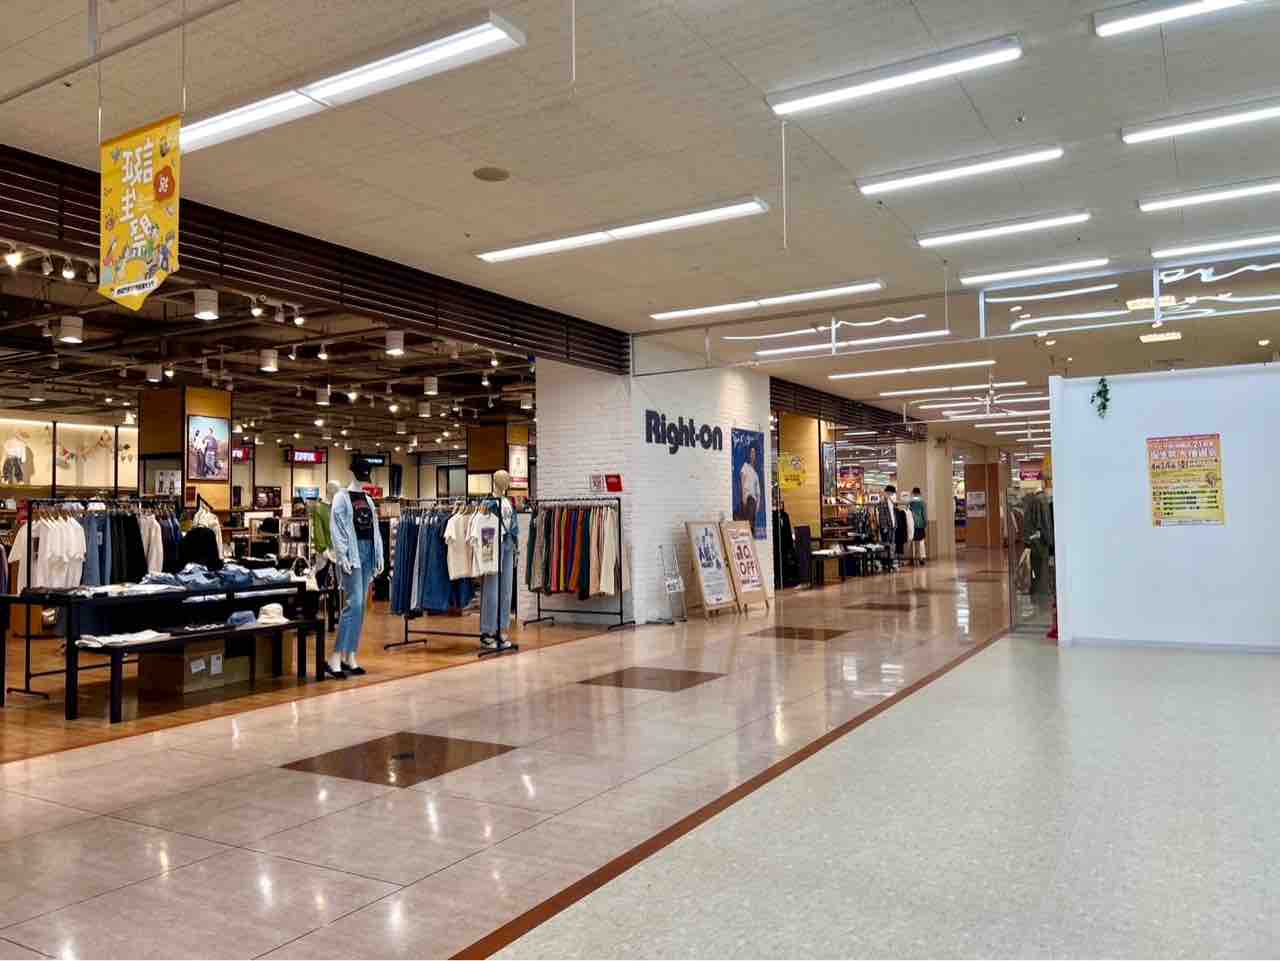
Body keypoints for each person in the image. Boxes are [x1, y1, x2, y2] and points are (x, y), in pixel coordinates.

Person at [738, 445, 761, 530]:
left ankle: (751, 534)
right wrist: (743, 496)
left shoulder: (756, 474)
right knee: (748, 523)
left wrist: (757, 505)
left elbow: (758, 493)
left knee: (751, 523)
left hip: (753, 501)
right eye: (751, 452)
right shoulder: (745, 466)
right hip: (747, 498)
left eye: (754, 452)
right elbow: (742, 481)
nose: (752, 454)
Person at [909, 486, 928, 566]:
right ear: (919, 494)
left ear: (913, 493)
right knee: (921, 542)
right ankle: (921, 558)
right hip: (920, 524)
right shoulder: (922, 502)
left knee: (912, 541)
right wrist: (925, 523)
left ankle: (913, 558)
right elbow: (924, 514)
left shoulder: (911, 502)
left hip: (912, 524)